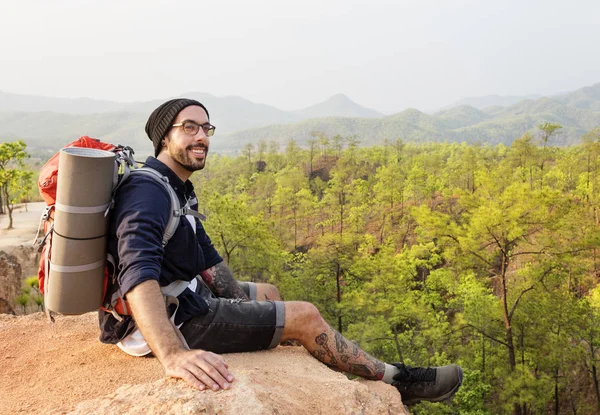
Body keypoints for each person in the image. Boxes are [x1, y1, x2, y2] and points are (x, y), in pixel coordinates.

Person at [98, 98, 463, 405]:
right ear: (164, 136)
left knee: (268, 293)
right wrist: (172, 354)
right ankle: (400, 379)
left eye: (206, 129)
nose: (201, 137)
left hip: (182, 297)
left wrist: (245, 309)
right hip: (164, 321)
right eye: (189, 127)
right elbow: (137, 274)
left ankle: (288, 333)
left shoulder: (175, 186)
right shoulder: (148, 193)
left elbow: (208, 260)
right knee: (304, 316)